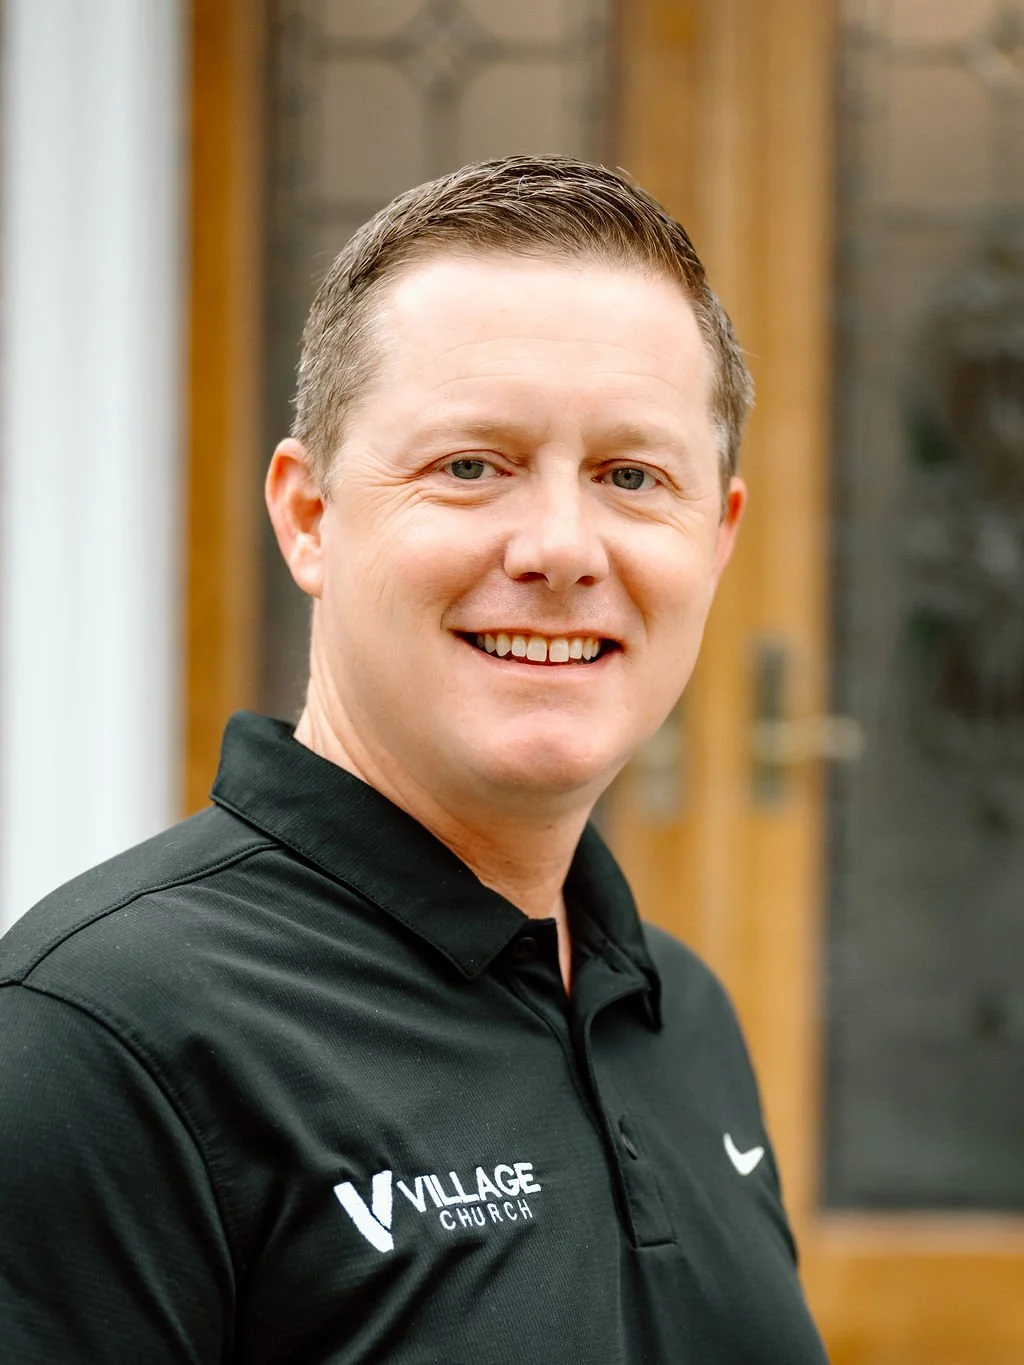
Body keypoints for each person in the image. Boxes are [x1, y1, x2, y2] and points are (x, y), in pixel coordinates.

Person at [0, 155, 828, 1363]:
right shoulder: (100, 1042)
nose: (560, 547)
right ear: (309, 516)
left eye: (631, 477)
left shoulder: (680, 1014)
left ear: (716, 537)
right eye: (471, 466)